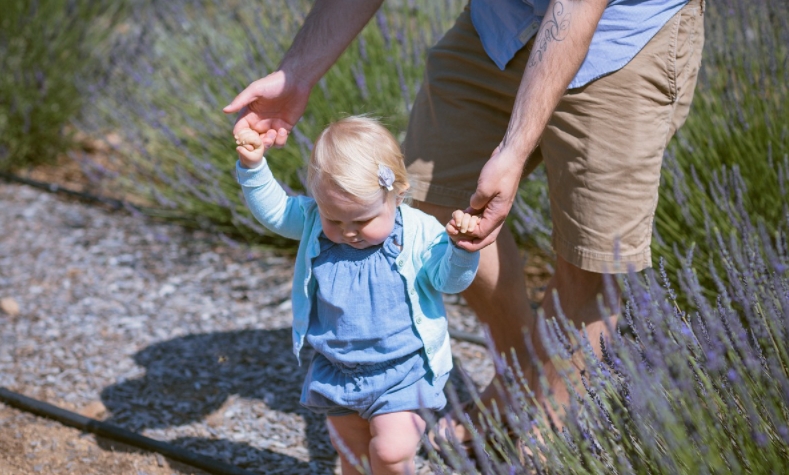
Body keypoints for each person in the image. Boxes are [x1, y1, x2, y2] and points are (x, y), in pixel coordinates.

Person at [224, 0, 705, 451]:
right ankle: (520, 377)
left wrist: (513, 150)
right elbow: (281, 210)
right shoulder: (321, 218)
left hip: (620, 40)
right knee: (434, 199)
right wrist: (298, 73)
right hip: (502, 23)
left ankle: (543, 442)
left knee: (592, 258)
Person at [233, 115, 480, 474]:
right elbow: (275, 211)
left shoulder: (419, 233)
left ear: (398, 192)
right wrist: (253, 166)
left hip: (403, 369)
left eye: (362, 221)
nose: (348, 232)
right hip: (337, 368)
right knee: (352, 456)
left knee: (392, 452)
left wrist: (462, 251)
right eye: (335, 219)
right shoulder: (316, 223)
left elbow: (449, 281)